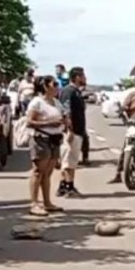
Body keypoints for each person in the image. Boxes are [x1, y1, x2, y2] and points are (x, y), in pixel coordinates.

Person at [26, 76, 66, 217]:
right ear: (45, 86)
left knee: (48, 172)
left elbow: (62, 116)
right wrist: (49, 123)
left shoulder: (55, 102)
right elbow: (29, 122)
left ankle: (47, 202)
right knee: (38, 171)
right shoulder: (37, 102)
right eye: (54, 84)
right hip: (41, 138)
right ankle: (34, 203)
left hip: (54, 139)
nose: (57, 87)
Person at [109, 78, 135, 184]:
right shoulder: (132, 95)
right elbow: (124, 107)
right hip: (133, 125)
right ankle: (118, 173)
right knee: (125, 147)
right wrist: (123, 112)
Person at [58, 67, 87, 198]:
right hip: (72, 131)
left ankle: (63, 185)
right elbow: (66, 111)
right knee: (69, 161)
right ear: (76, 77)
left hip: (78, 131)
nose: (85, 78)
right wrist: (69, 130)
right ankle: (69, 187)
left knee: (69, 160)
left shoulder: (76, 92)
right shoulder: (69, 91)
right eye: (82, 75)